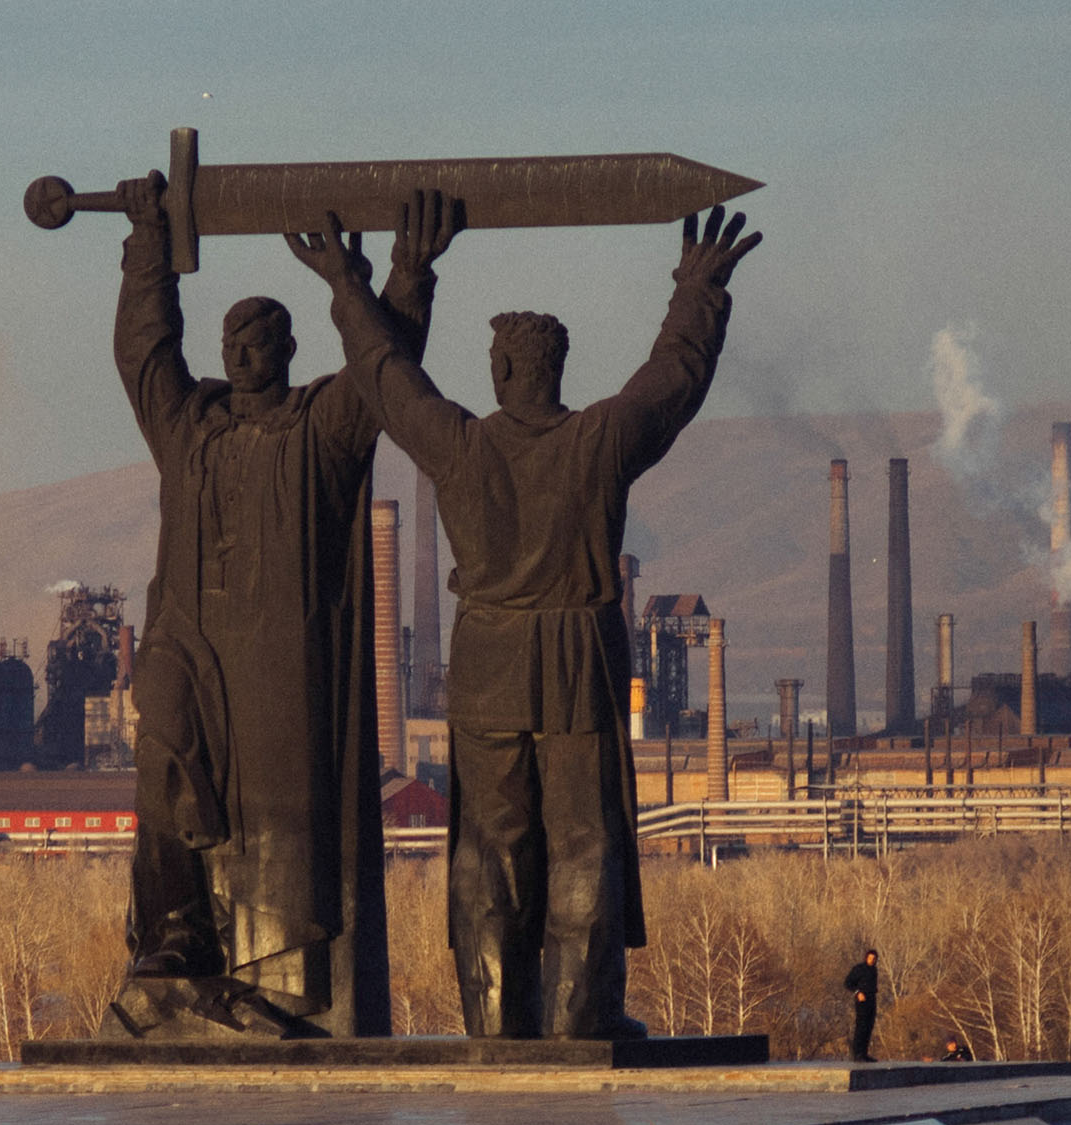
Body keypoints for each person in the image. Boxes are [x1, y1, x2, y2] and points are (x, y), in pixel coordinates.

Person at [290, 204, 759, 1038]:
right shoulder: (599, 440)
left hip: (491, 660)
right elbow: (673, 378)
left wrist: (348, 284)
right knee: (583, 838)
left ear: (503, 367)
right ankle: (580, 1018)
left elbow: (384, 372)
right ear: (556, 369)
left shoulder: (462, 446)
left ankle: (497, 1022)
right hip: (578, 653)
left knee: (491, 842)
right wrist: (699, 290)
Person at [109, 171, 458, 1037]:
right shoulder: (189, 426)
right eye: (230, 340)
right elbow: (143, 357)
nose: (238, 354)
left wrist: (402, 279)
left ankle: (268, 980)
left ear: (287, 349)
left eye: (256, 340)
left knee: (274, 828)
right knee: (163, 767)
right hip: (189, 644)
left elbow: (385, 371)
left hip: (277, 665)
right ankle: (175, 941)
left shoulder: (320, 426)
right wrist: (148, 257)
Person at [844, 949, 879, 1061]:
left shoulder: (874, 970)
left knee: (869, 1026)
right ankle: (857, 1054)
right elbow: (847, 983)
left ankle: (864, 1054)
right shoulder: (859, 969)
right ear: (866, 958)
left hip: (871, 1000)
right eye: (870, 958)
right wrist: (857, 992)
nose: (872, 960)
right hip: (862, 1001)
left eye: (874, 959)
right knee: (861, 1026)